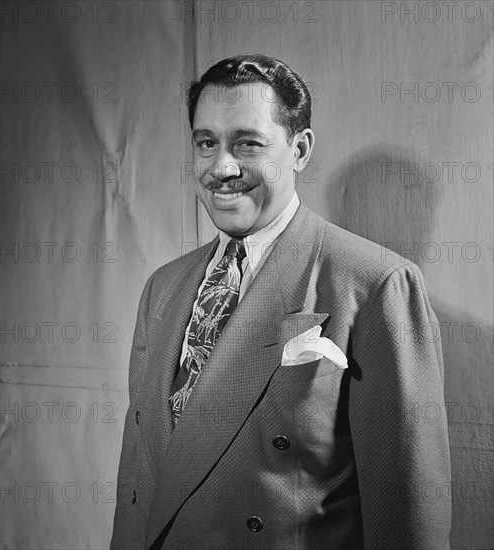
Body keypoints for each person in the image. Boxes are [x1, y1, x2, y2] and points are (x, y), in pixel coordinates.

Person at [111, 54, 451, 550]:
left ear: (300, 149)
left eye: (248, 143)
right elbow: (140, 481)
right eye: (206, 143)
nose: (222, 168)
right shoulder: (162, 288)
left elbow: (408, 509)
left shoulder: (376, 285)